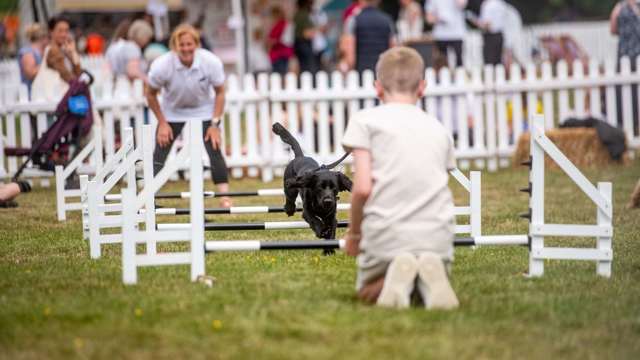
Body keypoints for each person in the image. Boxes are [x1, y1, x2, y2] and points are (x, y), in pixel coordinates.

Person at [341, 46, 459, 310]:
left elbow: (361, 190)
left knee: (366, 291)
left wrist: (355, 235)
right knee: (426, 260)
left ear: (377, 87)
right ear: (422, 87)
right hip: (437, 237)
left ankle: (393, 278)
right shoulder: (439, 129)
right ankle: (424, 278)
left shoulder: (364, 121)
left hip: (387, 235)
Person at [146, 24, 232, 208]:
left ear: (197, 44)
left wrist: (215, 124)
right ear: (174, 46)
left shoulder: (211, 62)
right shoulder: (162, 65)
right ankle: (147, 197)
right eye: (181, 45)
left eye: (189, 44)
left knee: (214, 148)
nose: (185, 48)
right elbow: (150, 94)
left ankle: (225, 196)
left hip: (204, 110)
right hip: (172, 112)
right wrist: (162, 122)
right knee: (160, 151)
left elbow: (220, 93)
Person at [343, 0, 396, 75]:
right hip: (382, 73)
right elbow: (393, 51)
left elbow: (350, 58)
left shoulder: (353, 20)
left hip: (361, 73)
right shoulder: (388, 20)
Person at [610, 0, 640, 130]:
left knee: (624, 91)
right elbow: (613, 29)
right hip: (631, 55)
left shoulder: (619, 7)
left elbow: (613, 29)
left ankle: (628, 122)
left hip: (624, 54)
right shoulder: (621, 7)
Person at [425, 0, 467, 68]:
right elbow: (429, 18)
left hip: (457, 34)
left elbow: (462, 5)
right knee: (442, 62)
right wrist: (440, 19)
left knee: (459, 61)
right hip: (441, 35)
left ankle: (459, 77)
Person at [45, 17, 83, 84]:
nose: (64, 34)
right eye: (60, 31)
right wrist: (79, 84)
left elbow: (78, 72)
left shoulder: (64, 50)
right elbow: (66, 76)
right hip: (55, 93)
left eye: (66, 31)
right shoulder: (52, 50)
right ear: (51, 32)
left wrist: (73, 51)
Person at [18, 24, 48, 97]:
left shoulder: (43, 51)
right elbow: (30, 74)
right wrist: (47, 62)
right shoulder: (27, 52)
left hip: (43, 94)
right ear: (42, 37)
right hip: (31, 94)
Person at [474, 0, 507, 65]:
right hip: (500, 35)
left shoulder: (488, 5)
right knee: (498, 61)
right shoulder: (501, 3)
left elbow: (487, 24)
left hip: (490, 36)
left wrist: (476, 22)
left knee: (489, 62)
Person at [293, 0, 320, 74]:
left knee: (304, 67)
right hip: (304, 44)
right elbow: (306, 33)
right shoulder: (303, 14)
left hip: (299, 44)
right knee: (309, 68)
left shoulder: (298, 14)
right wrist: (317, 29)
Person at [266, 5, 294, 76]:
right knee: (281, 74)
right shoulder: (281, 24)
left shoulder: (281, 24)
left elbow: (277, 40)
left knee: (279, 75)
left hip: (279, 54)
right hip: (281, 53)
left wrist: (270, 42)